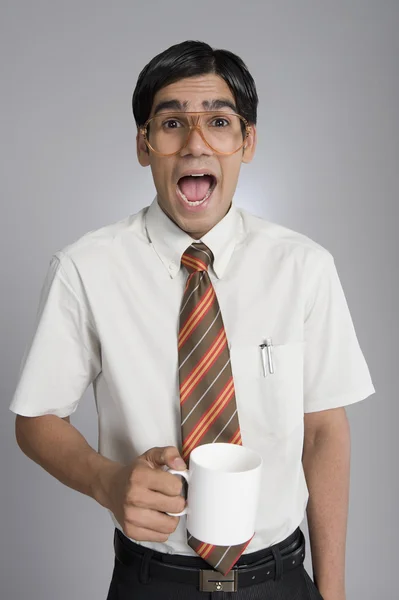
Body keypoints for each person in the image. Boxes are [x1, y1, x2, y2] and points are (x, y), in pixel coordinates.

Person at [10, 40, 375, 600]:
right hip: (151, 581)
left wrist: (334, 593)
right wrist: (107, 481)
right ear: (143, 144)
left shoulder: (305, 267)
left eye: (220, 122)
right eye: (172, 122)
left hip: (279, 580)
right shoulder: (85, 268)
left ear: (247, 142)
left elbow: (325, 430)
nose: (196, 143)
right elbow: (35, 419)